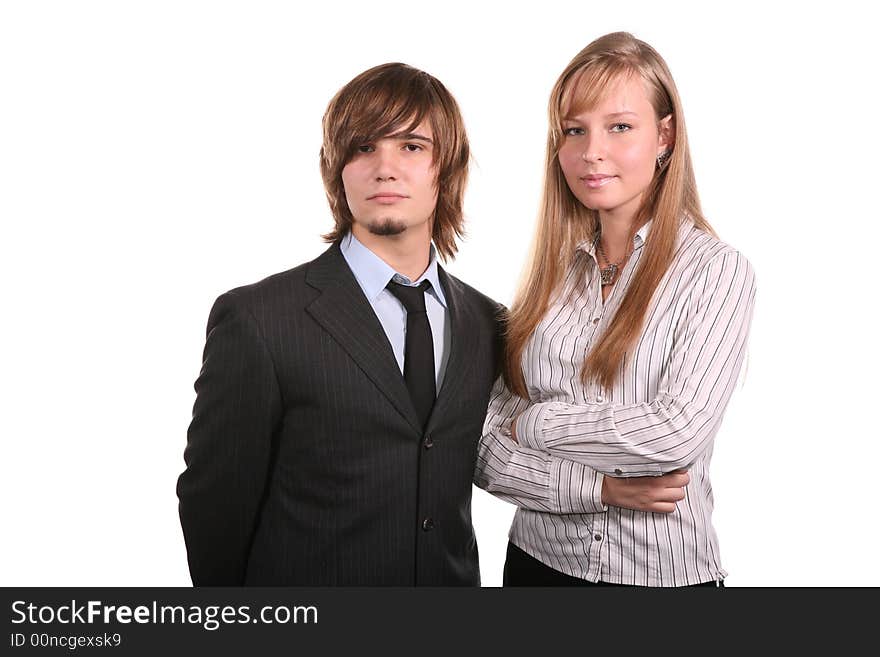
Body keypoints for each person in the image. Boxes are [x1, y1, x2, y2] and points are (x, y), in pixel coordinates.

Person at [176, 63, 506, 585]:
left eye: (412, 146)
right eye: (363, 147)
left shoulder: (490, 325)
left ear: (447, 168)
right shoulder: (260, 320)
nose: (385, 167)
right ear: (337, 168)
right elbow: (214, 506)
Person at [475, 32, 756, 587]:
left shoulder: (715, 271)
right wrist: (600, 488)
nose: (591, 152)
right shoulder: (548, 278)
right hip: (535, 566)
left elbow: (675, 435)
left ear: (665, 135)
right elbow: (482, 448)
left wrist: (534, 423)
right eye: (574, 131)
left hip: (659, 580)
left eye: (619, 127)